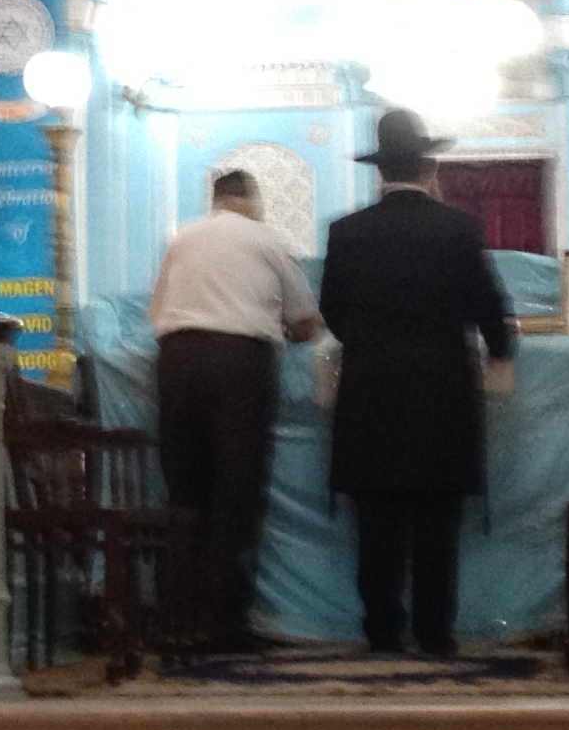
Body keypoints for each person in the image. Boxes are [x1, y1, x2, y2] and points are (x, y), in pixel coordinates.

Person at [318, 109, 517, 655]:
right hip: (441, 393)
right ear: (428, 168)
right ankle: (434, 632)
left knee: (376, 520)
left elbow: (332, 310)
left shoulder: (346, 232)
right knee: (437, 519)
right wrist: (501, 349)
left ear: (380, 172)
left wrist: (370, 342)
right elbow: (490, 308)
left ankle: (382, 631)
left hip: (370, 393)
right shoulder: (458, 228)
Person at [148, 167, 321, 651]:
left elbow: (158, 314)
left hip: (177, 363)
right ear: (251, 201)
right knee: (235, 490)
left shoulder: (181, 240)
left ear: (216, 201)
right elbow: (306, 322)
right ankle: (223, 624)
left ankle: (177, 621)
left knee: (184, 490)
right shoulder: (267, 240)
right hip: (239, 365)